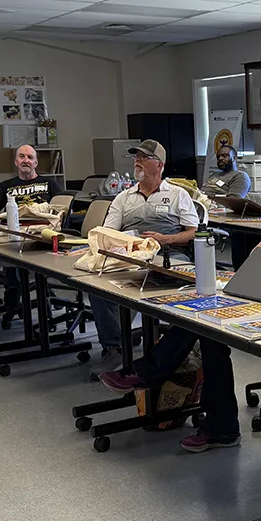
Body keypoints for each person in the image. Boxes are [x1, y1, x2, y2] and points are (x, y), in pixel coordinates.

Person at [99, 154, 261, 453]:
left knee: (209, 331)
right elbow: (258, 253)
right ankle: (218, 426)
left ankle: (151, 376)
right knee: (206, 324)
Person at [86, 140, 200, 362]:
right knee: (95, 286)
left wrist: (167, 239)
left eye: (144, 157)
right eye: (136, 157)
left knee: (159, 277)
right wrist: (125, 246)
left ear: (159, 165)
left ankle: (173, 350)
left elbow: (193, 232)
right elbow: (108, 232)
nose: (137, 161)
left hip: (168, 254)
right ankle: (115, 345)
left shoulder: (178, 194)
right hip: (130, 254)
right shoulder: (124, 197)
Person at [0, 145, 64, 321]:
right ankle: (13, 289)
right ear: (16, 162)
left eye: (29, 157)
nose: (26, 160)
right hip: (15, 234)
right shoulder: (6, 186)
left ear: (36, 162)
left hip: (42, 233)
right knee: (9, 250)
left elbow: (62, 207)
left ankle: (21, 289)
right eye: (21, 157)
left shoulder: (49, 183)